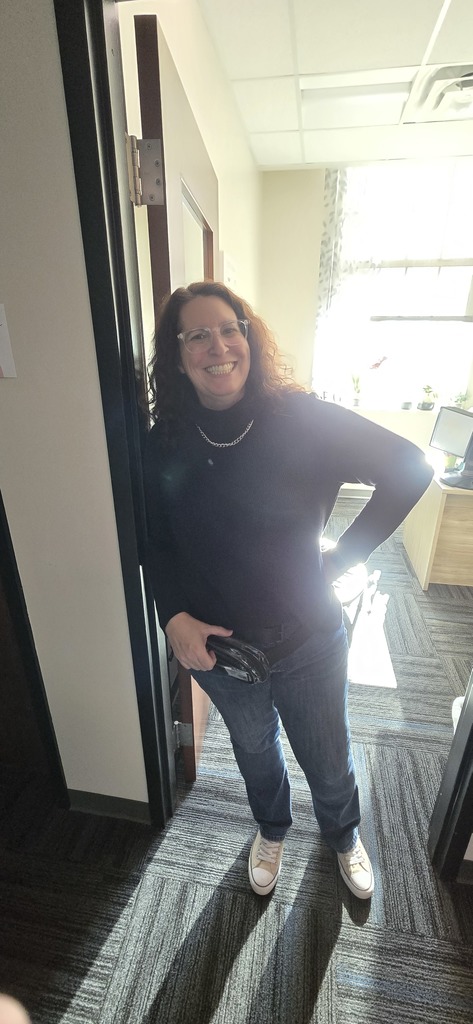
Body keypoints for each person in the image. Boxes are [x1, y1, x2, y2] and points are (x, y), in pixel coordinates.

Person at [143, 280, 433, 900]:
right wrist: (173, 616)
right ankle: (272, 828)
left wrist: (341, 558)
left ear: (248, 337)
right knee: (254, 751)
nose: (217, 346)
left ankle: (342, 835)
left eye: (229, 329)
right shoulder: (161, 440)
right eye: (196, 334)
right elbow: (153, 540)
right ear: (176, 353)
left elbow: (411, 468)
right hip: (219, 651)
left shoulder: (301, 418)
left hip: (308, 635)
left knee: (328, 756)